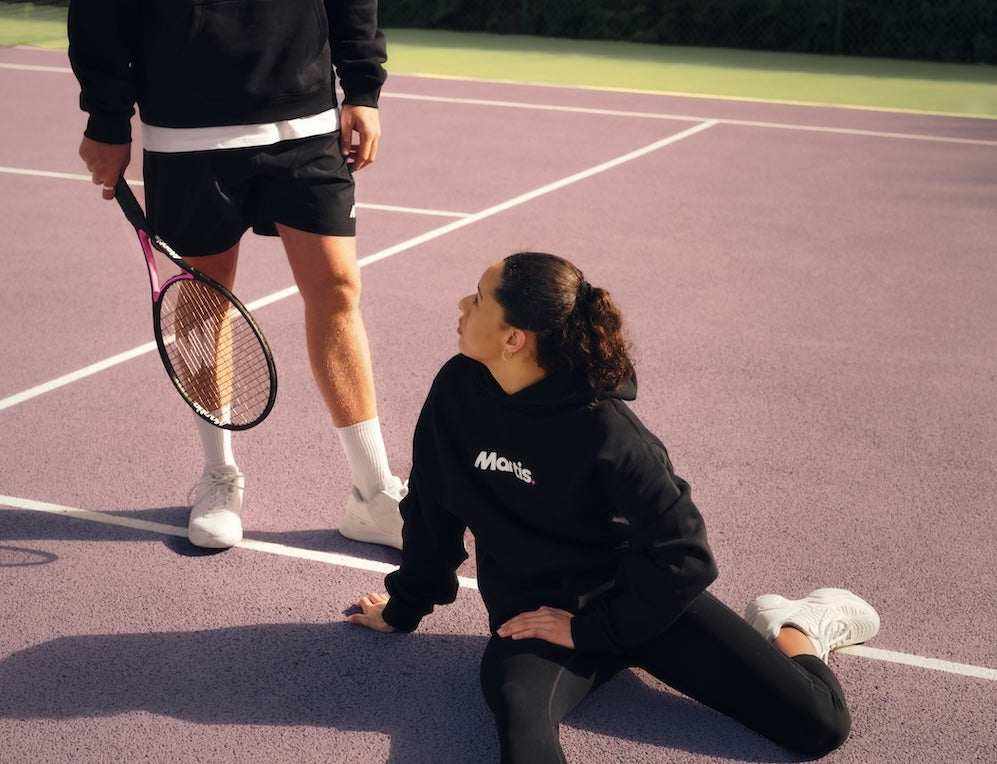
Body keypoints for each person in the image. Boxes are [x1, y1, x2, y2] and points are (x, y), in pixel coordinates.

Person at [348, 252, 881, 762]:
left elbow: (687, 556)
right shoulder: (457, 390)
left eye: (480, 299)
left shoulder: (608, 431)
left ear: (514, 338)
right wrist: (403, 607)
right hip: (534, 615)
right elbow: (432, 508)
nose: (463, 304)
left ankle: (796, 625)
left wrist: (589, 631)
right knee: (520, 723)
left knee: (819, 726)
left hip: (644, 604)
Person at [67, 0, 406, 549]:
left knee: (338, 288)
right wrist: (106, 119)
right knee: (205, 307)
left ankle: (373, 493)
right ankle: (219, 475)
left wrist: (363, 89)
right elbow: (99, 14)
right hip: (186, 132)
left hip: (306, 122)